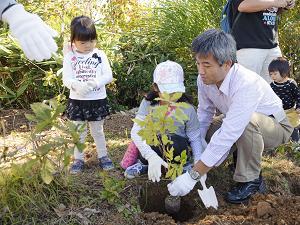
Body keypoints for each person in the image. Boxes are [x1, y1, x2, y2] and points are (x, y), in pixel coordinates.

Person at [167, 29, 293, 204]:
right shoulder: (204, 80)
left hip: (276, 126)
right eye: (198, 63)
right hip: (236, 119)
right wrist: (198, 150)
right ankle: (226, 160)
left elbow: (229, 132)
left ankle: (251, 180)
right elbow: (204, 113)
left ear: (226, 63)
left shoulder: (246, 83)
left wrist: (193, 175)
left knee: (245, 123)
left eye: (207, 65)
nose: (201, 71)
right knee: (211, 132)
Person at [123, 60, 205, 182]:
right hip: (152, 147)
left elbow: (195, 138)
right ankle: (146, 164)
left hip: (177, 149)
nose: (171, 97)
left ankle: (182, 167)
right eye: (166, 92)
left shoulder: (188, 109)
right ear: (155, 87)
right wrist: (151, 156)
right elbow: (136, 132)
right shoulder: (148, 103)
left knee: (173, 139)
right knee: (149, 139)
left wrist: (198, 165)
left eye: (175, 92)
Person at [63, 16, 114, 174]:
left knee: (97, 131)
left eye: (91, 41)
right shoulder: (70, 56)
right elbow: (66, 78)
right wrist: (76, 85)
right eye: (83, 42)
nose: (88, 45)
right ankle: (78, 158)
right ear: (74, 40)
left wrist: (94, 83)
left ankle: (103, 156)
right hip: (78, 101)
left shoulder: (99, 55)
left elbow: (108, 75)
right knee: (79, 132)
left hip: (96, 100)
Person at [230, 0, 295, 83]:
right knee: (247, 87)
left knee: (275, 88)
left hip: (272, 45)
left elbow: (271, 11)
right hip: (249, 46)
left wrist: (286, 4)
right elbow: (242, 5)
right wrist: (274, 2)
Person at [269, 57, 300, 142]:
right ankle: (278, 142)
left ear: (284, 72)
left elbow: (298, 96)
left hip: (289, 111)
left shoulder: (291, 84)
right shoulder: (272, 85)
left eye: (275, 74)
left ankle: (295, 143)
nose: (272, 76)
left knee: (292, 126)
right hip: (277, 111)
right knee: (275, 126)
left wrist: (298, 106)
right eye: (271, 74)